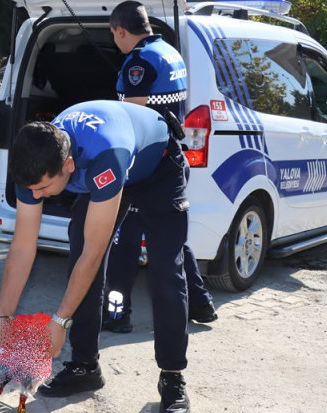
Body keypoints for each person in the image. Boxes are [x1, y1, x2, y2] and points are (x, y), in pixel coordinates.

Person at [0, 99, 193, 413]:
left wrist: (59, 322)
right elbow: (22, 248)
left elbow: (95, 251)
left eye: (44, 188)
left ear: (69, 167)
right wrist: (3, 318)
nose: (38, 195)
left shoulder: (105, 157)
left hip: (156, 166)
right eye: (33, 189)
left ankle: (172, 377)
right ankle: (84, 365)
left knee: (165, 268)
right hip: (108, 163)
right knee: (77, 249)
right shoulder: (33, 162)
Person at [102, 0, 217, 333]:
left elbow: (134, 121)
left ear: (121, 30)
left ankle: (116, 315)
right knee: (171, 240)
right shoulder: (169, 51)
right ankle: (201, 304)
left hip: (145, 166)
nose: (115, 42)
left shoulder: (138, 63)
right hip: (171, 161)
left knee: (124, 244)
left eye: (114, 35)